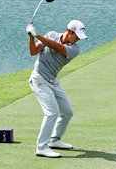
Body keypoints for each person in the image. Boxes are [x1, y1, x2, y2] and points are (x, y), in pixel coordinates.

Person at [26, 19, 88, 158]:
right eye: (76, 36)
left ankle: (55, 140)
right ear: (69, 31)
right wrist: (31, 36)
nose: (77, 40)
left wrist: (37, 34)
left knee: (67, 112)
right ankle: (41, 147)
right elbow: (33, 51)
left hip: (53, 82)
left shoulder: (75, 49)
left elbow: (55, 46)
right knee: (52, 112)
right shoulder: (52, 34)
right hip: (39, 79)